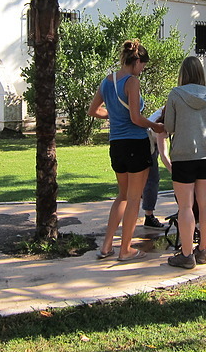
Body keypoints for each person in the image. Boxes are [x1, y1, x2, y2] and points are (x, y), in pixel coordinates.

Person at [88, 39, 165, 261]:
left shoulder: (107, 81)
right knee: (134, 198)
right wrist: (155, 126)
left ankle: (106, 247)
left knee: (121, 196)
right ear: (137, 60)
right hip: (135, 144)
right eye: (143, 65)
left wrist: (113, 116)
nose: (142, 70)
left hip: (117, 145)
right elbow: (136, 118)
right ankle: (125, 250)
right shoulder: (132, 82)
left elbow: (93, 111)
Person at [164, 56, 206, 269]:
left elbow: (169, 126)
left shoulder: (175, 94)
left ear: (183, 73)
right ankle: (203, 250)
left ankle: (186, 255)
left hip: (183, 155)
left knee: (186, 206)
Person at [142, 107, 171, 230]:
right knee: (152, 179)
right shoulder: (162, 125)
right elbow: (164, 156)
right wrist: (175, 173)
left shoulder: (166, 111)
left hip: (148, 141)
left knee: (145, 180)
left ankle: (141, 195)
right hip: (145, 143)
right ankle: (149, 217)